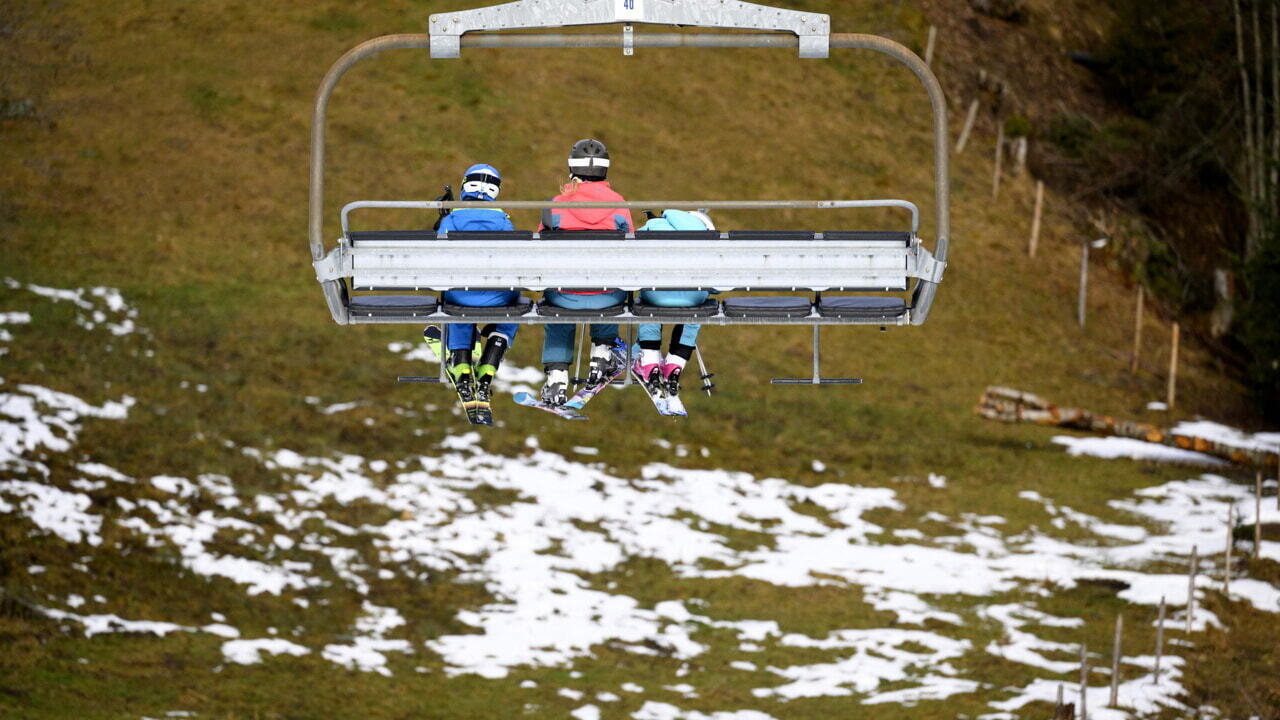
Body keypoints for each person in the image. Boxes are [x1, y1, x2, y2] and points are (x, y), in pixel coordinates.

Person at [538, 139, 635, 406]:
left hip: (564, 294)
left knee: (557, 308)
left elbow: (540, 249)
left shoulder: (555, 204)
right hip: (607, 294)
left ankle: (557, 376)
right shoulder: (618, 204)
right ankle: (602, 353)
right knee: (610, 287)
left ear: (572, 168)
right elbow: (630, 248)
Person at [430, 163, 519, 407]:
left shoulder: (453, 218)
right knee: (516, 303)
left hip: (459, 295)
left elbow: (438, 254)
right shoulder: (502, 220)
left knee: (458, 302)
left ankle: (461, 366)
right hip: (497, 297)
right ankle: (489, 365)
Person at [632, 209, 716, 407]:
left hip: (655, 294)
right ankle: (675, 366)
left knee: (649, 303)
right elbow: (716, 286)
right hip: (694, 297)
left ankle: (650, 361)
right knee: (697, 307)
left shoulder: (652, 226)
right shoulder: (709, 237)